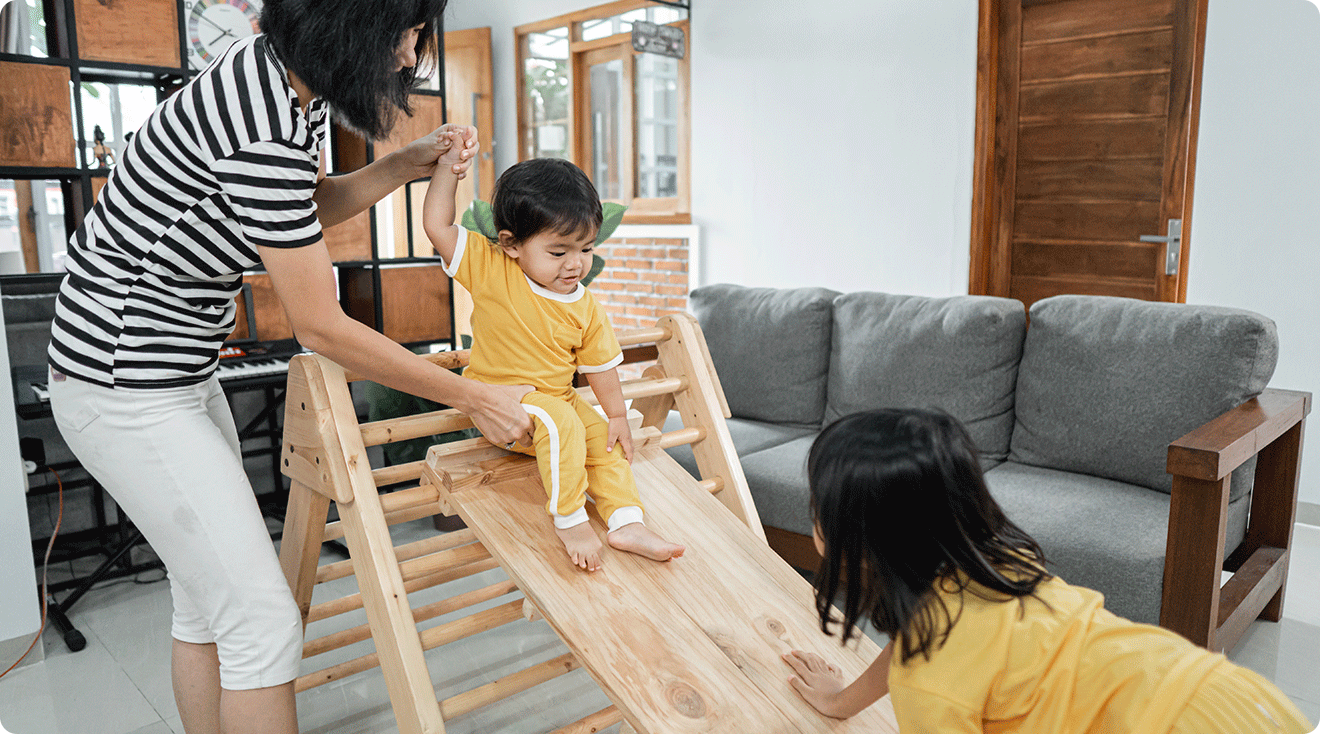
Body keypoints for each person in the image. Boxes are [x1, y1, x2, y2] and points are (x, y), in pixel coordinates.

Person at [45, 2, 534, 733]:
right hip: (123, 385)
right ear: (355, 27)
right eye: (407, 35)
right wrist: (474, 396)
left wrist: (403, 164)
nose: (410, 58)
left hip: (169, 372)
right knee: (263, 624)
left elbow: (306, 204)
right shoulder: (263, 123)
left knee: (206, 603)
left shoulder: (283, 87)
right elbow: (321, 327)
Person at [781, 408, 1312, 734]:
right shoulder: (994, 564)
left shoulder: (931, 685)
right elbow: (917, 643)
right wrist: (843, 699)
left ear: (865, 543)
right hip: (1222, 695)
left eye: (818, 504)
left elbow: (926, 665)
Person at [422, 154, 686, 572]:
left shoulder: (585, 305)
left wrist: (616, 414)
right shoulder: (489, 267)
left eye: (585, 249)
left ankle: (626, 522)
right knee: (562, 421)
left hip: (555, 399)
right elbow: (437, 225)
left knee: (604, 442)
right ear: (511, 244)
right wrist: (447, 171)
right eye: (558, 251)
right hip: (502, 407)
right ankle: (570, 519)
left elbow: (600, 365)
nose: (575, 263)